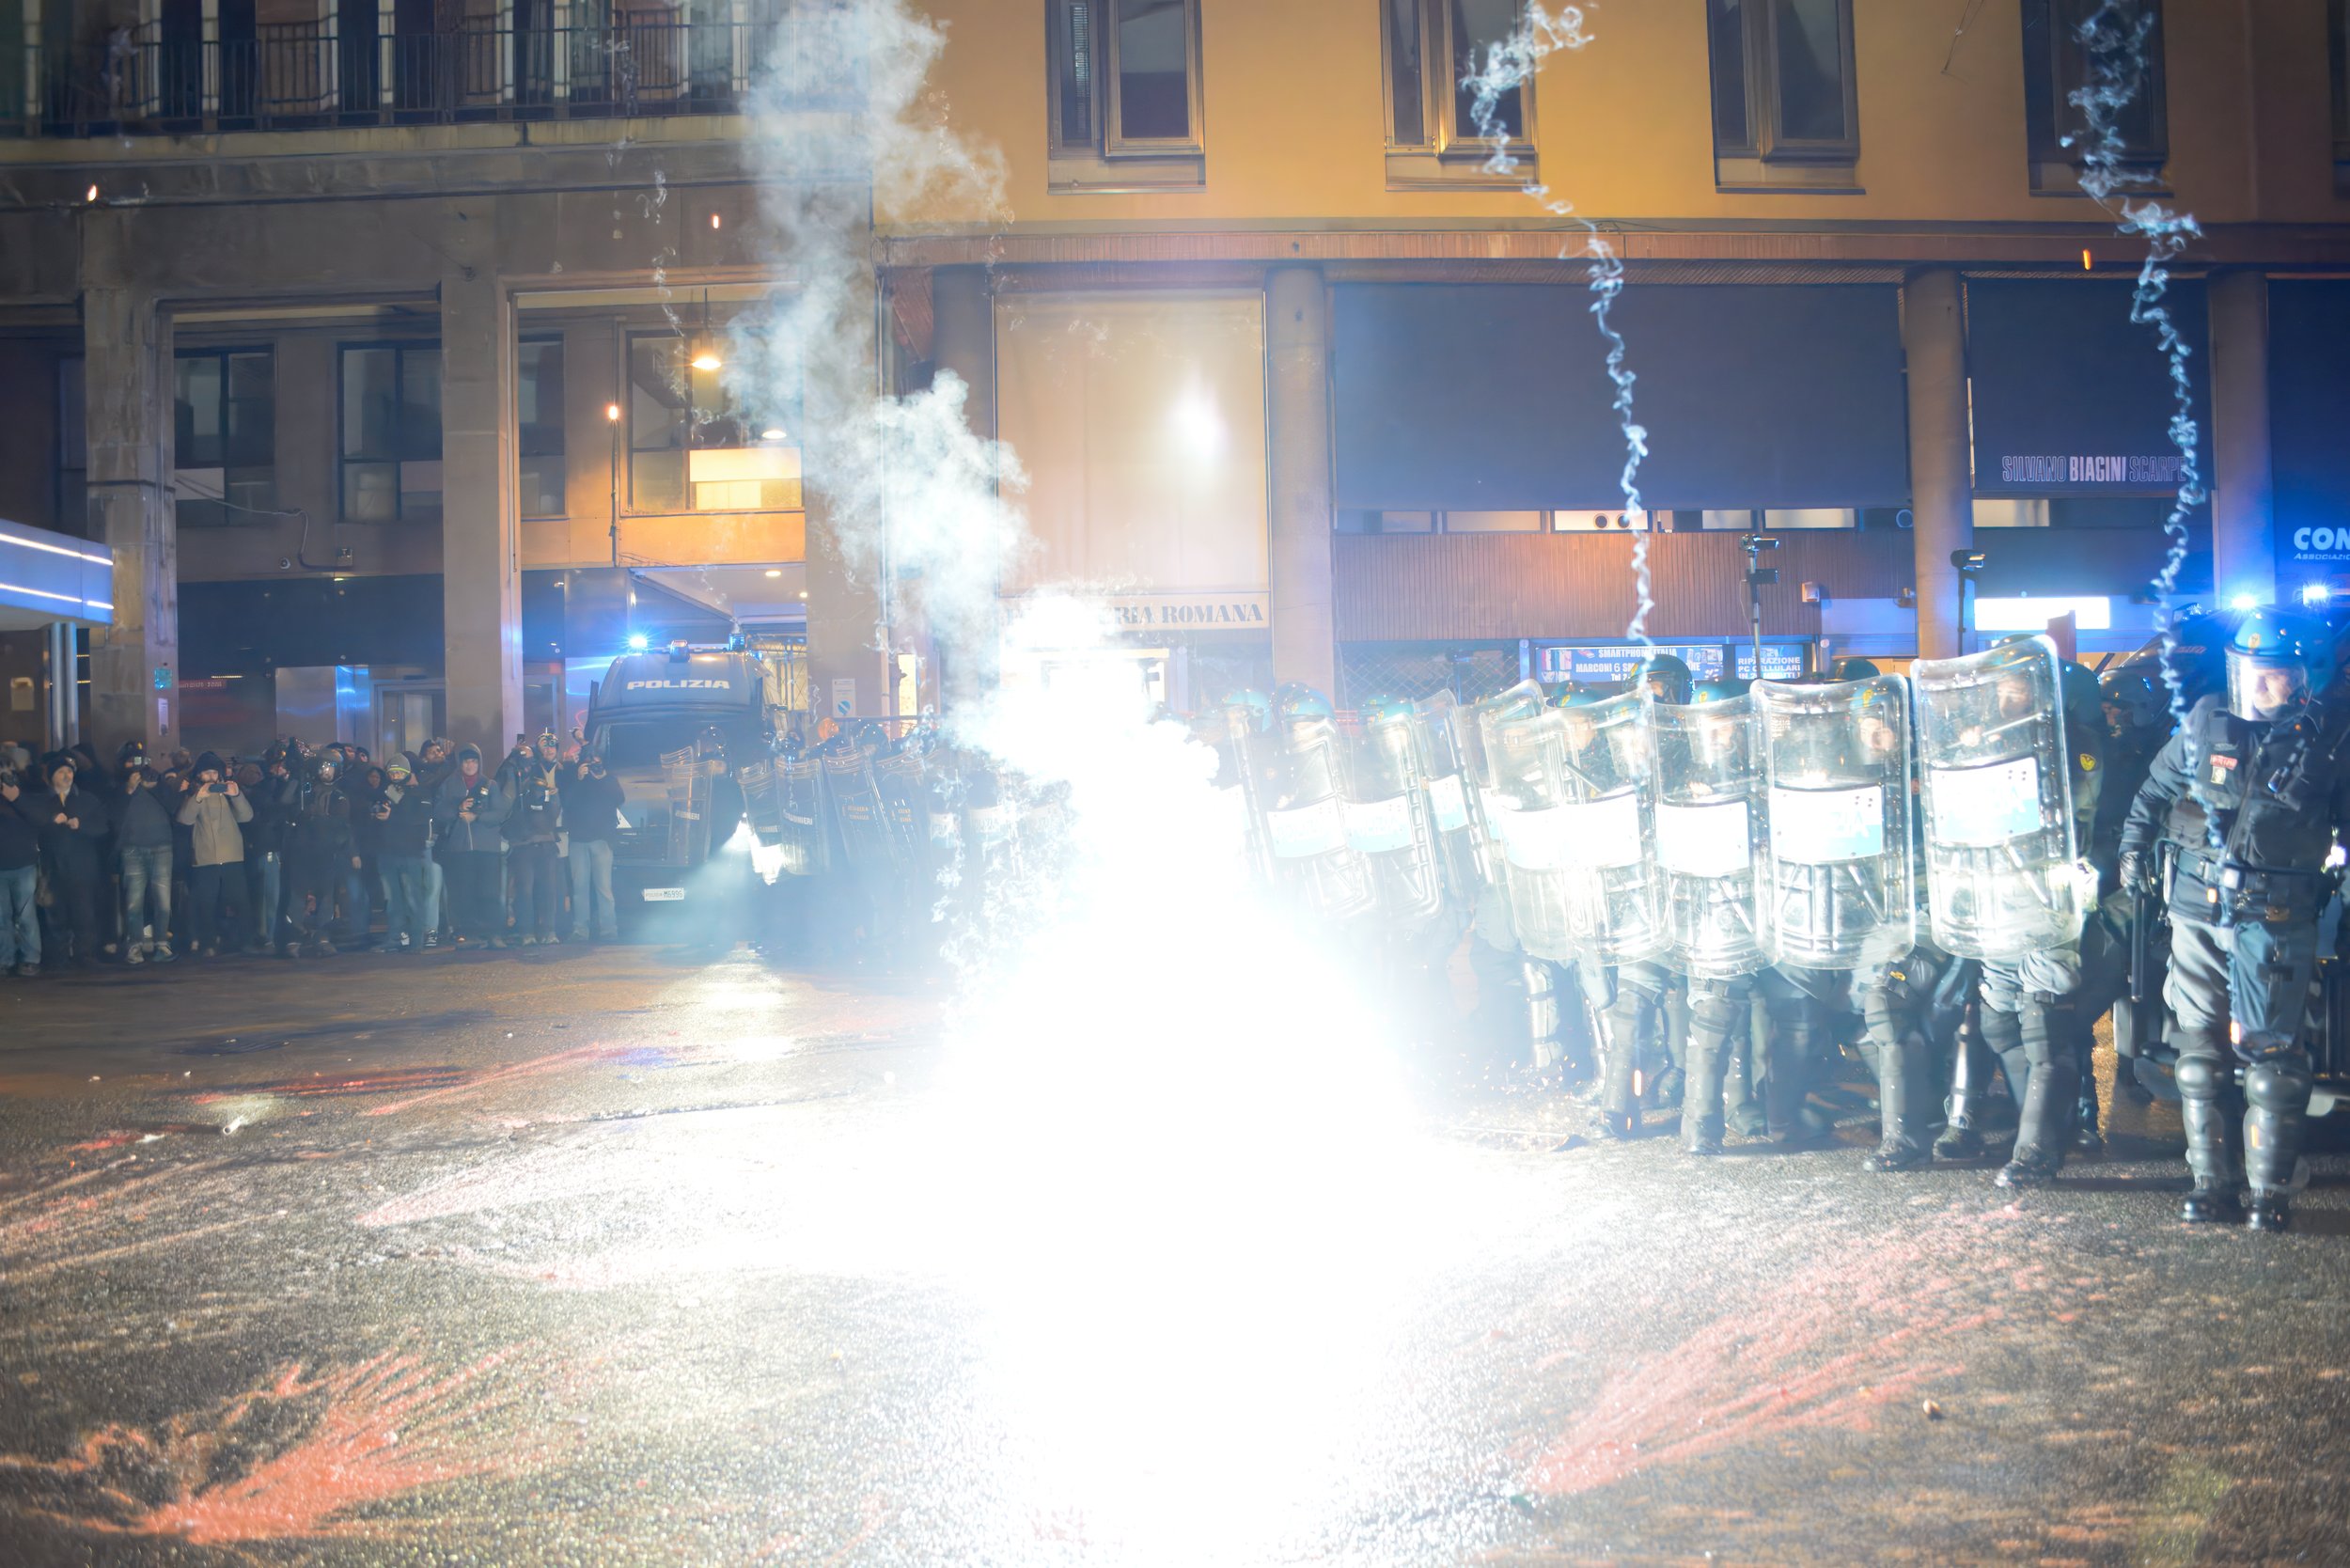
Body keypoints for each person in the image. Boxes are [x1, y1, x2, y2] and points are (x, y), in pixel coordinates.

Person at [2118, 608, 2350, 1231]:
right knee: (2197, 1055)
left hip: (2274, 915)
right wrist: (2133, 850)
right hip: (2195, 908)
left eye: (2276, 676)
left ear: (2305, 676)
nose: (2263, 687)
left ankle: (2268, 1195)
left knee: (2272, 1063)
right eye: (2254, 674)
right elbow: (2152, 792)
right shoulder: (2207, 721)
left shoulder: (2330, 737)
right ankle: (2207, 1184)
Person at [32, 754, 108, 967]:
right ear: (51, 777)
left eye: (69, 771)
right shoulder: (42, 802)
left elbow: (103, 827)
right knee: (55, 915)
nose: (67, 776)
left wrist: (80, 825)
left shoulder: (87, 799)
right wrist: (50, 822)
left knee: (84, 913)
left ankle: (85, 955)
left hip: (82, 868)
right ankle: (59, 957)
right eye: (61, 772)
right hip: (52, 867)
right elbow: (35, 829)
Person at [176, 752, 253, 959]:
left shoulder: (228, 792)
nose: (210, 777)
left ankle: (244, 941)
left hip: (233, 857)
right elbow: (184, 819)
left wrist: (236, 795)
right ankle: (208, 942)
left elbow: (247, 816)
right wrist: (198, 797)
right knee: (206, 904)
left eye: (213, 772)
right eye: (206, 773)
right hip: (205, 858)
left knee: (240, 901)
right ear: (199, 775)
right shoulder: (193, 795)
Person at [280, 752, 356, 958]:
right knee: (297, 896)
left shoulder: (339, 794)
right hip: (302, 852)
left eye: (330, 768)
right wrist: (298, 776)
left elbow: (342, 822)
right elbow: (286, 801)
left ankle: (322, 936)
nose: (326, 772)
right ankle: (294, 936)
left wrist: (318, 819)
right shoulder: (307, 789)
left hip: (325, 853)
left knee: (326, 897)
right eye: (322, 767)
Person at [503, 734, 566, 946]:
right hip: (522, 844)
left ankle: (548, 931)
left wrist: (552, 796)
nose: (526, 763)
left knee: (548, 890)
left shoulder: (541, 776)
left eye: (529, 758)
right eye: (521, 758)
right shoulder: (510, 775)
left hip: (546, 842)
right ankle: (526, 932)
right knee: (525, 891)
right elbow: (508, 806)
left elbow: (553, 811)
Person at [116, 757, 177, 964]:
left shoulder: (159, 787)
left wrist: (157, 786)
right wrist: (129, 789)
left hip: (162, 847)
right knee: (134, 902)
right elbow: (113, 814)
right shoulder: (120, 786)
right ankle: (134, 945)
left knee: (163, 901)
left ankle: (162, 944)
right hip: (132, 849)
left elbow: (173, 806)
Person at [372, 753, 435, 952]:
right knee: (393, 900)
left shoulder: (421, 794)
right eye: (392, 772)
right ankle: (396, 937)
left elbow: (418, 819)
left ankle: (416, 940)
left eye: (400, 772)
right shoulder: (387, 792)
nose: (396, 776)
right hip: (389, 853)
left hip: (412, 854)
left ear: (408, 773)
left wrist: (393, 815)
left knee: (414, 897)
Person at [563, 750, 624, 943]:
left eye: (597, 764)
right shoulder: (574, 780)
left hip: (602, 840)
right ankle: (580, 930)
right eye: (590, 764)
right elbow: (567, 802)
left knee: (604, 888)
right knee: (579, 889)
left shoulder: (609, 781)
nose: (594, 768)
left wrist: (603, 778)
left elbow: (619, 799)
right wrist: (579, 779)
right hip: (578, 841)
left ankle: (609, 929)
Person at [0, 763, 39, 977]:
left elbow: (39, 818)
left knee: (27, 915)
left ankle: (30, 958)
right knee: (1, 918)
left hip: (24, 864)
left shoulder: (25, 793)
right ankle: (4, 960)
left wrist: (16, 796)